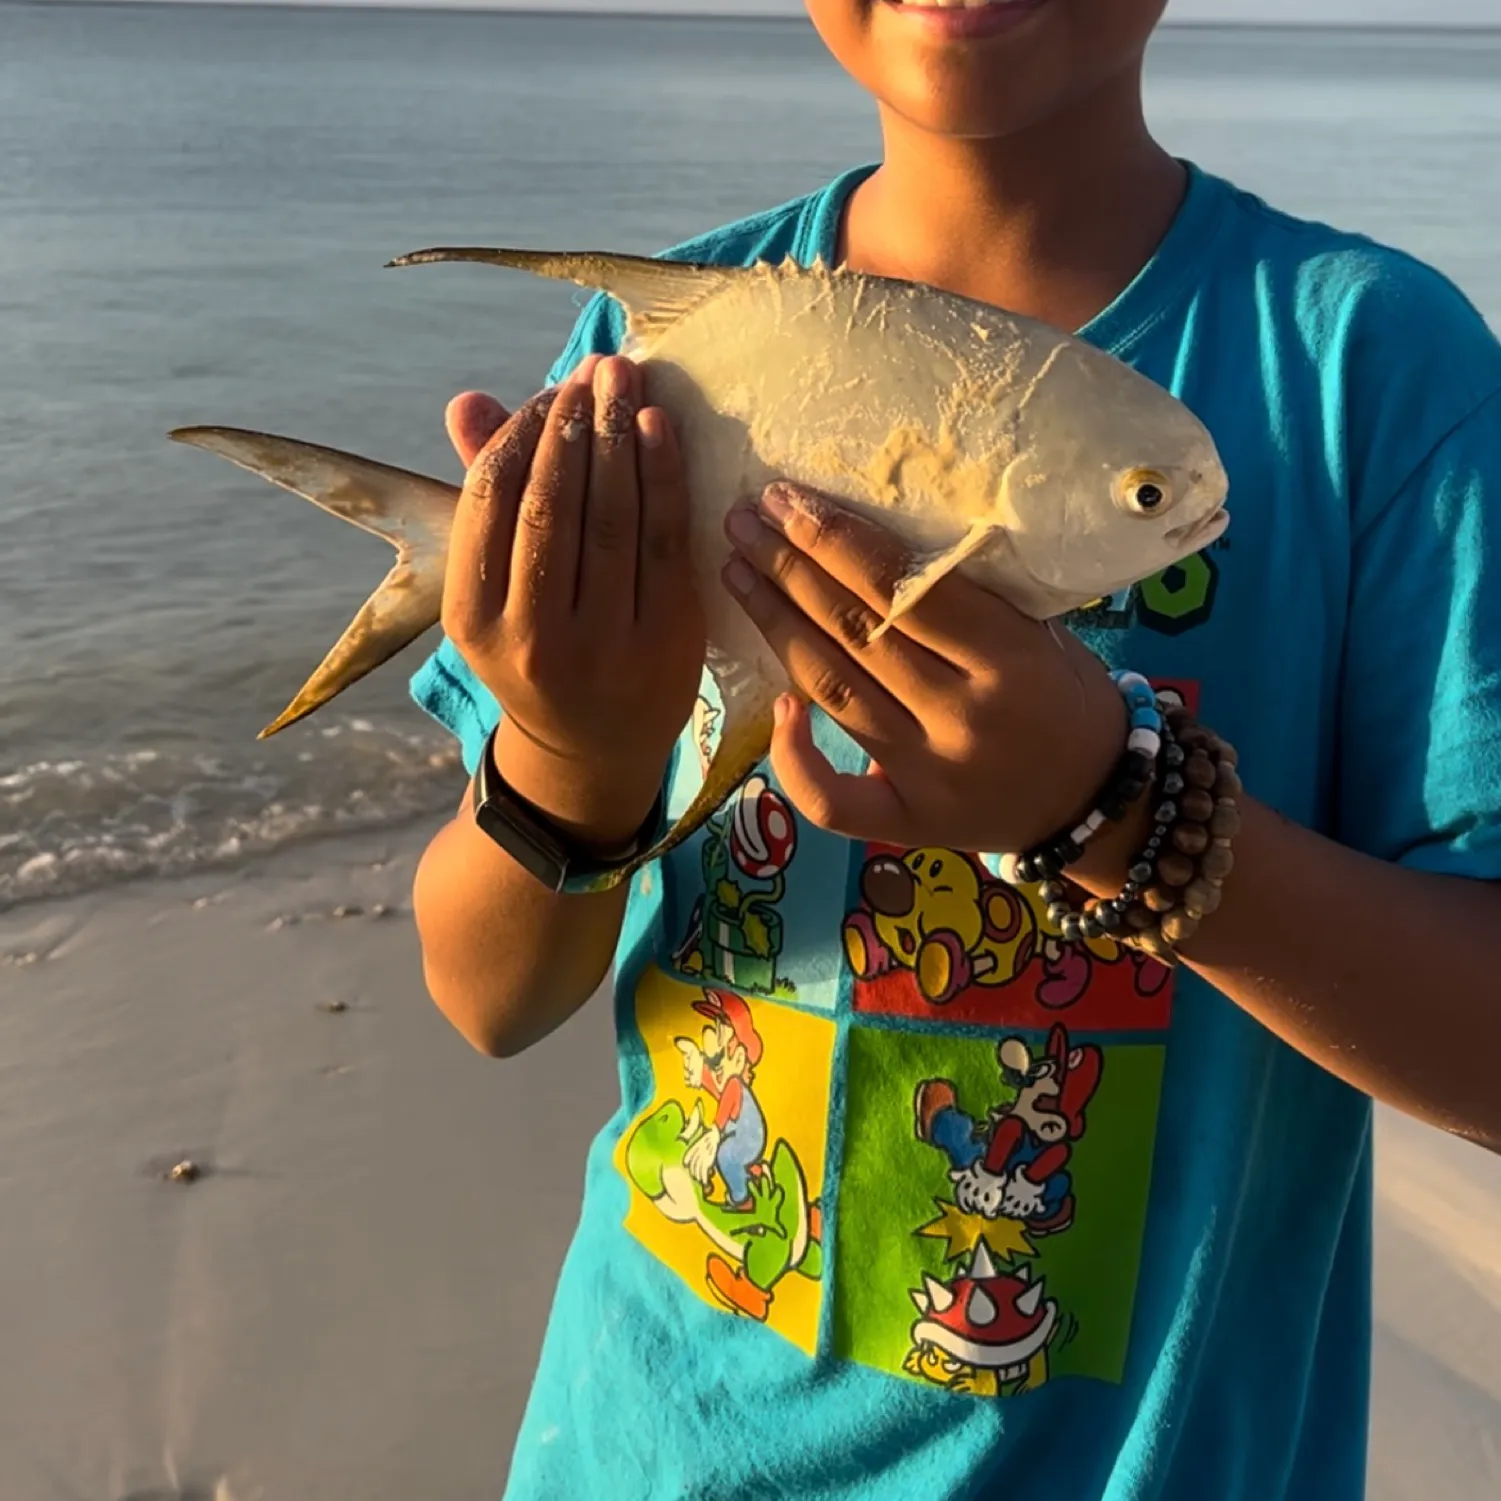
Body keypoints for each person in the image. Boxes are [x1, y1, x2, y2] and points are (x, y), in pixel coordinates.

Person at [408, 1, 1501, 1496]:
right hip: (643, 1449)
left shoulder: (1367, 373)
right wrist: (569, 755)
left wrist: (1115, 808)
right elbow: (484, 989)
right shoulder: (661, 349)